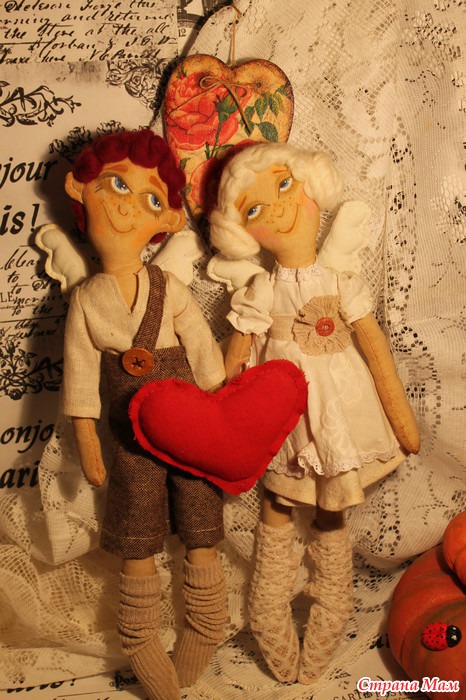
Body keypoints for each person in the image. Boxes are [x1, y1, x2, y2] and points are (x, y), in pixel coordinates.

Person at [209, 142, 420, 684]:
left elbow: (377, 352)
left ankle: (329, 617)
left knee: (333, 512)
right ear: (242, 232)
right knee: (277, 503)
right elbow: (236, 361)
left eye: (285, 185)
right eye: (256, 209)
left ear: (311, 187)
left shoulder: (338, 281)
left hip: (340, 417)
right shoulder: (261, 289)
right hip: (283, 415)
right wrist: (220, 426)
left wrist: (401, 419)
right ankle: (269, 615)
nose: (279, 208)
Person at [63, 129, 227, 700]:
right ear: (79, 190)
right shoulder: (87, 300)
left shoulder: (169, 287)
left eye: (150, 198)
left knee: (200, 518)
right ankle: (139, 636)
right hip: (130, 440)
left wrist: (221, 411)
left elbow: (203, 351)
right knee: (137, 534)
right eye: (115, 186)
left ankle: (207, 621)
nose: (130, 205)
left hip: (190, 427)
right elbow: (80, 374)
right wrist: (88, 442)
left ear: (169, 220)